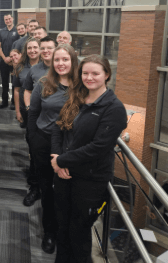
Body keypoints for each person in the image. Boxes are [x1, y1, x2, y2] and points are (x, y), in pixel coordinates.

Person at [51, 54, 127, 263]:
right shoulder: (76, 96)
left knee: (79, 232)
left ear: (107, 75)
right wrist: (57, 158)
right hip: (64, 173)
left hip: (89, 181)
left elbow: (99, 148)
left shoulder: (114, 108)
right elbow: (59, 128)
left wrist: (62, 161)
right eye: (85, 73)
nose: (89, 77)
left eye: (95, 73)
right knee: (63, 226)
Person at [27, 44, 79, 255]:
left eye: (65, 59)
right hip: (43, 142)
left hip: (70, 147)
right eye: (57, 60)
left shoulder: (81, 86)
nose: (60, 63)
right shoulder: (44, 84)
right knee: (47, 189)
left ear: (73, 61)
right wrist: (32, 140)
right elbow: (33, 113)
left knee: (66, 190)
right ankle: (49, 231)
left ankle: (65, 230)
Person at [21, 36, 57, 207]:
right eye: (43, 48)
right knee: (35, 155)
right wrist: (29, 108)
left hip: (57, 126)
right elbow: (26, 90)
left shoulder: (64, 71)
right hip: (37, 121)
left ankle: (51, 188)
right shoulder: (34, 70)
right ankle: (35, 188)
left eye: (49, 48)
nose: (45, 51)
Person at [13, 38, 40, 129]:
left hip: (42, 109)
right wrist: (17, 111)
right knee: (29, 134)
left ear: (40, 49)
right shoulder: (20, 67)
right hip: (24, 107)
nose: (32, 50)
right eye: (29, 48)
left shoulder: (47, 67)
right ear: (26, 50)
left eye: (35, 47)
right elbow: (16, 90)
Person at [0, 13, 20, 109]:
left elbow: (18, 47)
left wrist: (11, 57)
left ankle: (14, 102)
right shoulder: (1, 32)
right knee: (4, 82)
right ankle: (4, 101)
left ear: (12, 19)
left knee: (15, 82)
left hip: (14, 62)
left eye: (9, 19)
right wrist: (4, 58)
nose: (8, 21)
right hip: (4, 61)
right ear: (4, 21)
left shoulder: (17, 31)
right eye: (6, 19)